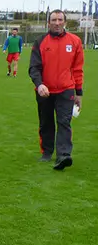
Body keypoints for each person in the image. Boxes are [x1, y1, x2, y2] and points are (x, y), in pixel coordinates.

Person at [29, 10, 83, 170]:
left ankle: (63, 155)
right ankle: (47, 152)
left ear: (64, 22)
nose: (57, 23)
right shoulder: (40, 42)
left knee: (64, 122)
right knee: (46, 123)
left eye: (60, 20)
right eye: (54, 20)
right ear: (48, 23)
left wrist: (79, 93)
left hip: (66, 90)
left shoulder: (75, 41)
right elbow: (34, 68)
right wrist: (39, 84)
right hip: (44, 91)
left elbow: (78, 69)